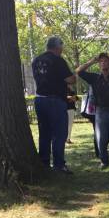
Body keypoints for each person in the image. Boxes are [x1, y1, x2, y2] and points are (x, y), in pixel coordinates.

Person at [32, 36, 76, 173]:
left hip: (40, 99)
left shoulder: (36, 61)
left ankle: (44, 162)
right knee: (59, 134)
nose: (62, 50)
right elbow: (70, 79)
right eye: (61, 47)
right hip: (55, 100)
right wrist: (74, 76)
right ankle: (59, 164)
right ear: (58, 47)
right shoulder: (58, 60)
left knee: (44, 133)